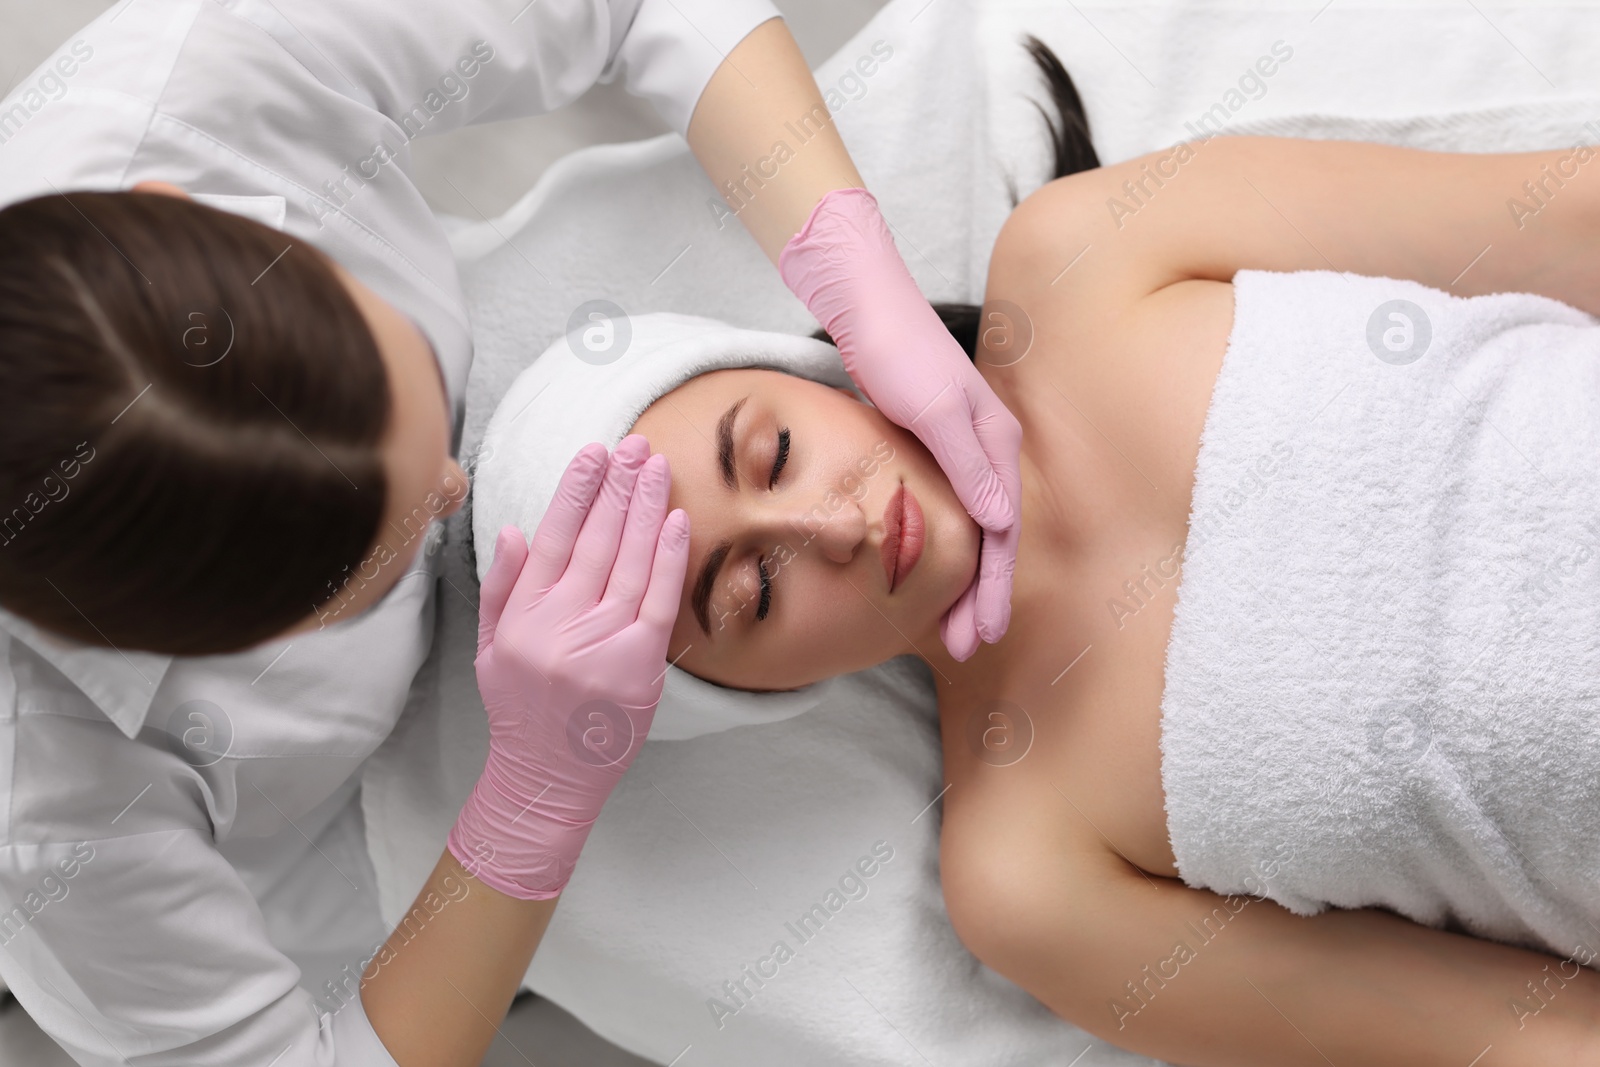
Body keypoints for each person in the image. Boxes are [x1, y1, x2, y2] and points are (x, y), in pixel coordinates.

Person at [480, 39, 1600, 1065]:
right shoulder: (1025, 870)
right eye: (749, 590)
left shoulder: (1088, 256)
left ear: (812, 365)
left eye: (772, 451)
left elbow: (1571, 222)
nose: (832, 525)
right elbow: (1513, 1038)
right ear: (751, 692)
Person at [0, 3, 1022, 1065]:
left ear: (184, 207)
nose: (454, 484)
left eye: (405, 374)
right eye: (358, 566)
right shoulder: (50, 808)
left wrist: (849, 268)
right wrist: (532, 798)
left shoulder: (198, 86)